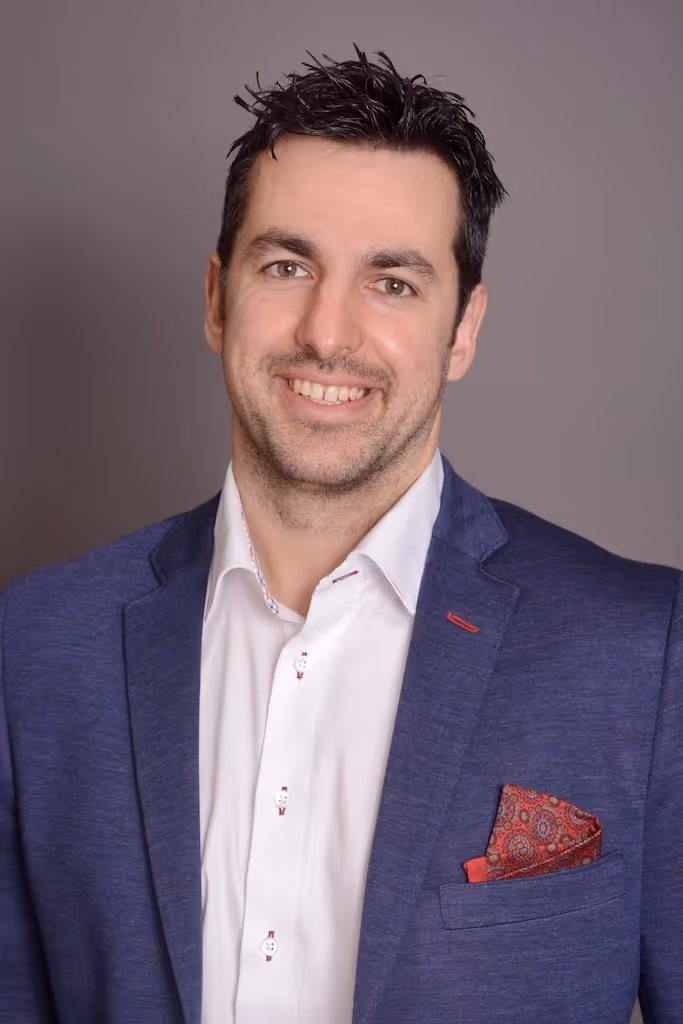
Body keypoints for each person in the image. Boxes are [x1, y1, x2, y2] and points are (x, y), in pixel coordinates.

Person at [0, 47, 680, 1024]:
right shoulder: (35, 649)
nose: (328, 333)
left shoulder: (644, 655)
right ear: (215, 298)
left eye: (391, 283)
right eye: (287, 266)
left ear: (463, 329)